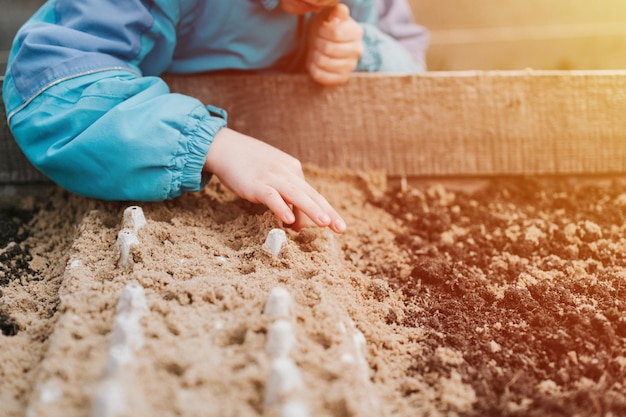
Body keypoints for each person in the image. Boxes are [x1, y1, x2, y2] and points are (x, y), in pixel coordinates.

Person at [3, 0, 427, 234]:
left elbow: (418, 75)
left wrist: (361, 50)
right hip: (138, 188)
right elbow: (47, 87)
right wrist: (211, 143)